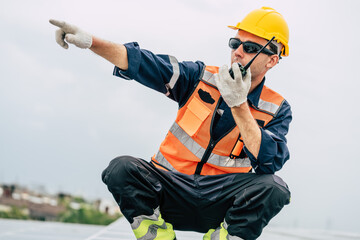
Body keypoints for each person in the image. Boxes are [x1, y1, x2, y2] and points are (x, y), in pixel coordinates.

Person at [50, 6, 292, 240]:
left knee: (275, 188)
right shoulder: (199, 78)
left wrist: (239, 105)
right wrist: (91, 41)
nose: (238, 52)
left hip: (219, 202)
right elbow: (143, 63)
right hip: (170, 191)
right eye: (234, 43)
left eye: (249, 48)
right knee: (121, 168)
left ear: (271, 61)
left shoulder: (277, 108)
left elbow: (270, 162)